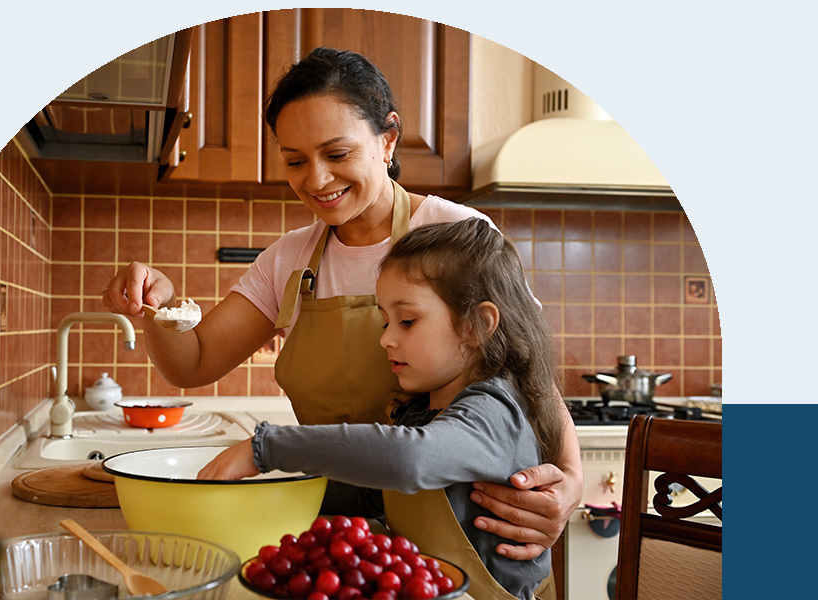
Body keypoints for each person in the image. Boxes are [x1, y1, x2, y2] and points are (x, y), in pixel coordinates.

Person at [102, 47, 582, 565]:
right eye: (295, 161)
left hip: (466, 550)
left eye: (336, 154)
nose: (316, 180)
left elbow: (527, 370)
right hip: (345, 549)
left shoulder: (455, 236)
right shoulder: (288, 260)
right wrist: (160, 308)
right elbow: (193, 362)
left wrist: (572, 480)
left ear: (387, 139)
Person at [198, 218, 565, 600]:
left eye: (407, 321)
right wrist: (264, 495)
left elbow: (410, 457)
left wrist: (267, 448)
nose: (386, 339)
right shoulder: (420, 411)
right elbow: (373, 493)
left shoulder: (494, 412)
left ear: (476, 326)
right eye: (385, 322)